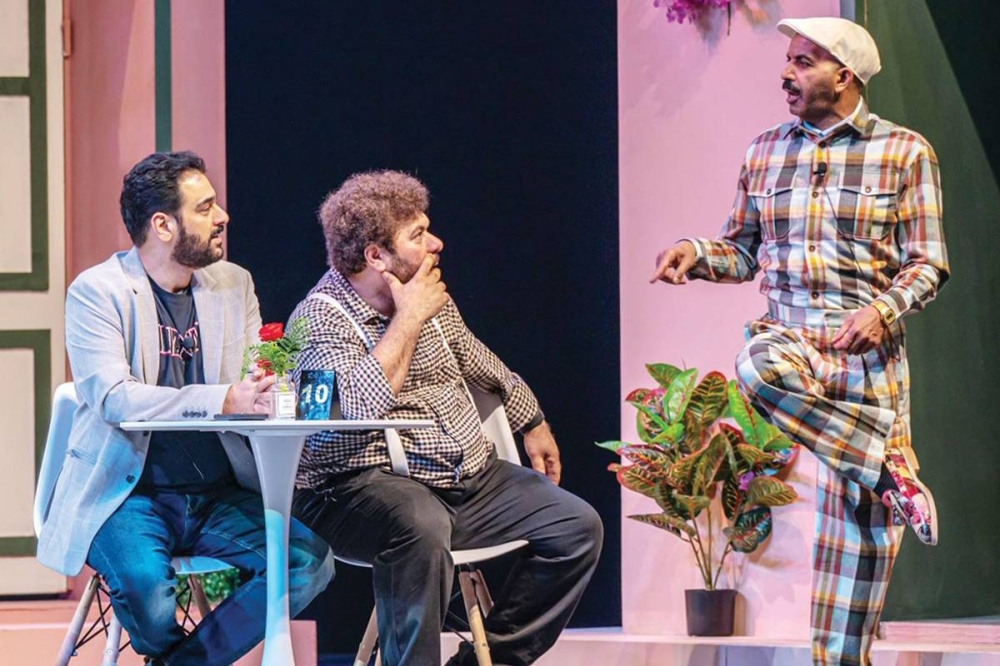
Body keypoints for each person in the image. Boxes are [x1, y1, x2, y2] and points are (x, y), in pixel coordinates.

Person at [650, 17, 949, 666]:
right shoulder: (764, 151)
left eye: (804, 62)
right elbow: (741, 251)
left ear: (844, 76)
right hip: (789, 336)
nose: (786, 73)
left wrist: (883, 309)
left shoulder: (905, 152)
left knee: (860, 548)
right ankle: (884, 466)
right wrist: (695, 254)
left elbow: (928, 263)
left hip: (867, 360)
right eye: (787, 59)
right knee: (756, 368)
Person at [289, 170, 603, 666]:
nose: (436, 243)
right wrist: (408, 317)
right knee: (418, 524)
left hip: (463, 479)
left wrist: (533, 420)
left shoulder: (431, 300)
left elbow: (481, 363)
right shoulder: (320, 320)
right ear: (376, 256)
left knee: (576, 527)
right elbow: (354, 411)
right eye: (417, 235)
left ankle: (487, 660)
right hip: (358, 490)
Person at [36, 151, 334, 666]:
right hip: (124, 494)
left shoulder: (233, 284)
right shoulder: (98, 292)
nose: (223, 217)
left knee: (308, 563)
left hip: (214, 492)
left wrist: (266, 390)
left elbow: (251, 376)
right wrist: (224, 398)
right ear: (163, 225)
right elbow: (114, 397)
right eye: (205, 207)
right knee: (150, 597)